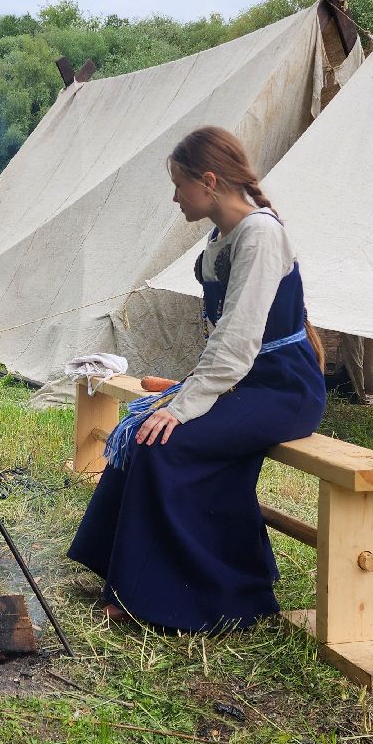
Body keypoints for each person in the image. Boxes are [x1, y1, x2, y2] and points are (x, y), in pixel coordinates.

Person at [67, 126, 327, 631]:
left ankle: (208, 594)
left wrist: (183, 405)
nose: (174, 196)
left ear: (208, 182)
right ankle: (126, 574)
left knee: (164, 442)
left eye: (179, 184)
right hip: (244, 382)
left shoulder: (260, 234)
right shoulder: (221, 236)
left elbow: (238, 342)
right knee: (141, 433)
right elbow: (223, 342)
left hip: (283, 389)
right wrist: (188, 389)